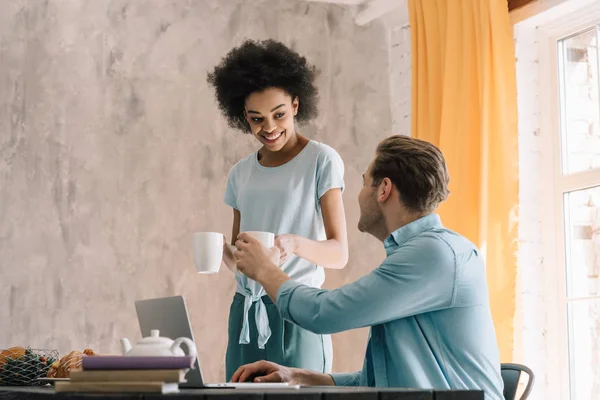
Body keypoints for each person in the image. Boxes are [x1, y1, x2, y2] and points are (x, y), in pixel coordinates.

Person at [231, 135, 505, 400]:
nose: (359, 196)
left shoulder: (435, 255)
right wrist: (298, 377)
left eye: (364, 183)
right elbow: (381, 380)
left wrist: (265, 270)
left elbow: (323, 313)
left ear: (384, 189)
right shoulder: (423, 255)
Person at [206, 39, 349, 381]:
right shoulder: (241, 173)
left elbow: (339, 252)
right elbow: (242, 258)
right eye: (256, 119)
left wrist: (294, 244)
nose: (269, 128)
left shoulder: (321, 160)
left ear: (296, 104)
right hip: (246, 311)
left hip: (297, 304)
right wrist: (223, 254)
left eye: (278, 114)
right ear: (243, 117)